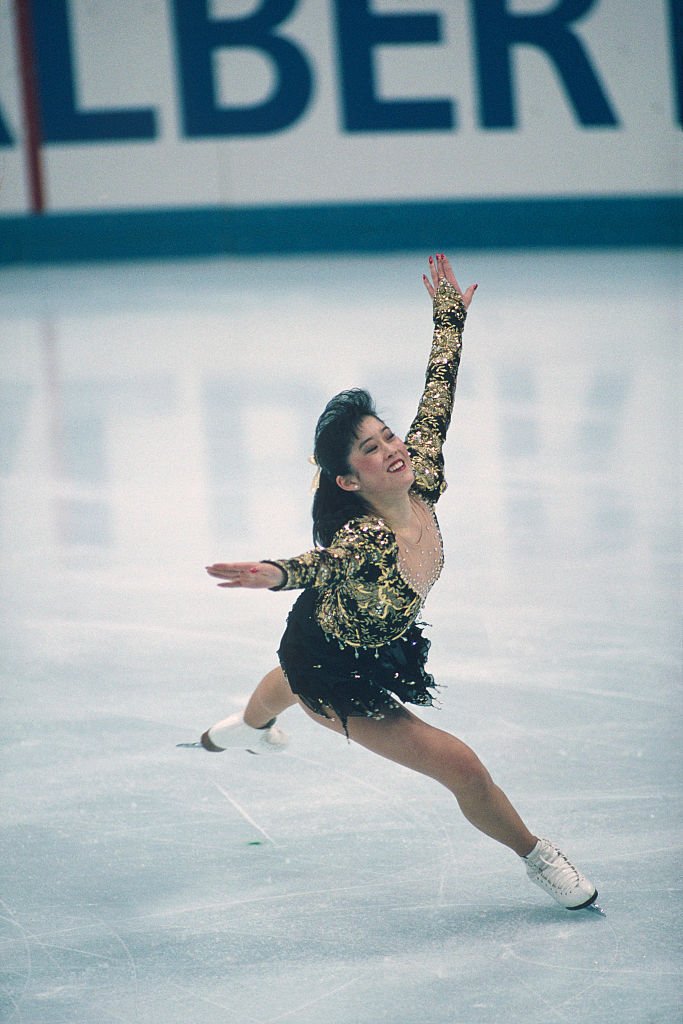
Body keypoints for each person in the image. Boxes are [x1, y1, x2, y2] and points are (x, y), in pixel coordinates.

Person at [183, 254, 599, 913]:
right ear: (348, 481)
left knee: (278, 684)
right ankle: (537, 856)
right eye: (371, 450)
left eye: (386, 435)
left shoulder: (421, 476)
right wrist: (275, 574)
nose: (392, 448)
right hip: (334, 669)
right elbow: (323, 566)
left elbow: (438, 393)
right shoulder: (365, 538)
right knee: (456, 765)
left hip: (351, 633)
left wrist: (448, 320)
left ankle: (239, 732)